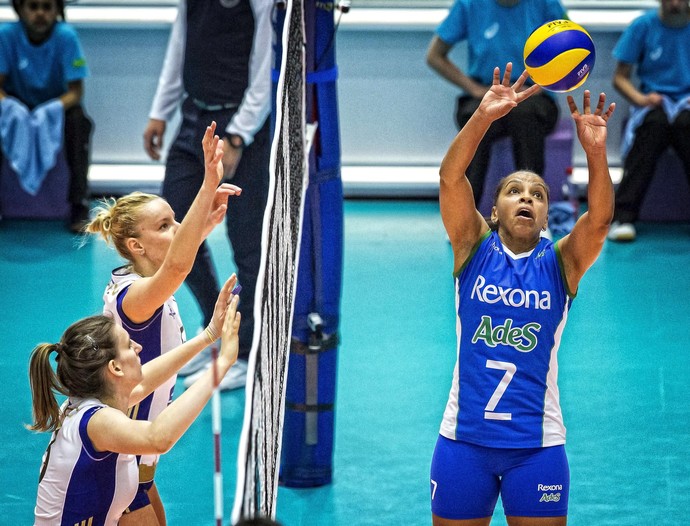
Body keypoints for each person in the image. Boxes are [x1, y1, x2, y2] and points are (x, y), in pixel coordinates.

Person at [431, 63, 615, 525]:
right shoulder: (471, 247)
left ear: (547, 214)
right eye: (515, 191)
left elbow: (598, 222)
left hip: (537, 448)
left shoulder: (562, 262)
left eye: (538, 194)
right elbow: (451, 180)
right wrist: (483, 118)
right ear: (494, 210)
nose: (527, 198)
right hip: (463, 441)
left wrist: (595, 152)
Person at [85, 122, 240, 525]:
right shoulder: (134, 299)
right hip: (121, 460)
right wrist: (207, 184)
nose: (175, 230)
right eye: (164, 226)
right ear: (136, 246)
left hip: (139, 464)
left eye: (174, 221)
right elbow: (178, 264)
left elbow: (176, 256)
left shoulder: (142, 283)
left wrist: (202, 222)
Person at [142, 0, 273, 391]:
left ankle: (246, 351)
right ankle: (215, 326)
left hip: (244, 129)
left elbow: (268, 70)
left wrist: (238, 135)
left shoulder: (263, 4)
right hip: (195, 120)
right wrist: (159, 112)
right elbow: (178, 49)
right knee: (170, 231)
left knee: (248, 244)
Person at [29, 290, 242, 525]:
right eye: (129, 345)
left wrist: (210, 334)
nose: (138, 347)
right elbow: (158, 438)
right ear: (116, 369)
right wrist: (222, 364)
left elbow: (145, 383)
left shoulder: (92, 400)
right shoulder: (96, 422)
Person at [426, 0, 566, 209]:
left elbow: (570, 51)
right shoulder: (469, 4)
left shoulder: (545, 3)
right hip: (484, 95)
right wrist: (474, 89)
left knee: (525, 115)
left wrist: (541, 84)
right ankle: (464, 218)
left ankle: (535, 216)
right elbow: (434, 55)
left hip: (532, 96)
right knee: (478, 117)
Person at [0, 0, 93, 232]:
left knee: (80, 123)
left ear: (57, 10)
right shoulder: (6, 35)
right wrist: (14, 109)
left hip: (56, 107)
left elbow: (76, 92)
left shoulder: (66, 37)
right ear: (20, 9)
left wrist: (48, 110)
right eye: (33, 6)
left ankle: (79, 205)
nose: (40, 13)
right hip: (15, 105)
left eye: (47, 6)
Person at [607, 0, 690, 242]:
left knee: (687, 127)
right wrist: (641, 99)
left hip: (687, 106)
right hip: (654, 103)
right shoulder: (643, 25)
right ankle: (623, 218)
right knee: (653, 128)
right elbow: (620, 78)